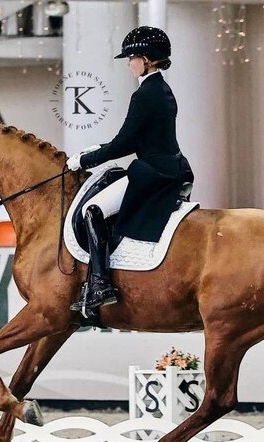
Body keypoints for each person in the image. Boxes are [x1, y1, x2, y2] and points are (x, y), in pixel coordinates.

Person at [67, 26, 194, 313]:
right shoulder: (160, 89)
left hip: (154, 171)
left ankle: (100, 284)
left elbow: (126, 143)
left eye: (131, 58)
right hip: (171, 166)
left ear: (145, 59)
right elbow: (137, 137)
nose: (129, 63)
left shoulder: (145, 93)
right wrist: (98, 147)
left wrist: (85, 161)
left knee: (92, 210)